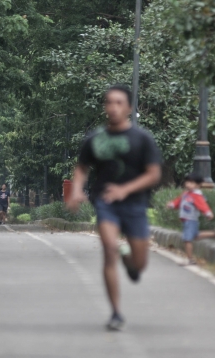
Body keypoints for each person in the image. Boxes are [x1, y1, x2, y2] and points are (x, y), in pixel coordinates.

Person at [67, 84, 162, 331]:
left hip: (135, 205)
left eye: (119, 102)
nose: (113, 107)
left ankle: (130, 262)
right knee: (109, 248)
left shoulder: (142, 139)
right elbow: (82, 168)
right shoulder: (94, 139)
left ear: (129, 108)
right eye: (109, 102)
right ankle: (116, 313)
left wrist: (125, 189)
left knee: (140, 264)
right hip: (106, 203)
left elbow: (153, 174)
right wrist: (77, 190)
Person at [167, 174, 213, 265]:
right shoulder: (186, 193)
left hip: (190, 220)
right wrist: (172, 205)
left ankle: (190, 259)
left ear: (197, 185)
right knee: (195, 236)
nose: (188, 184)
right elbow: (179, 202)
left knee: (187, 239)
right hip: (187, 220)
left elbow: (202, 205)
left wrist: (208, 213)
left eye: (191, 183)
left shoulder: (196, 195)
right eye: (187, 182)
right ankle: (213, 233)